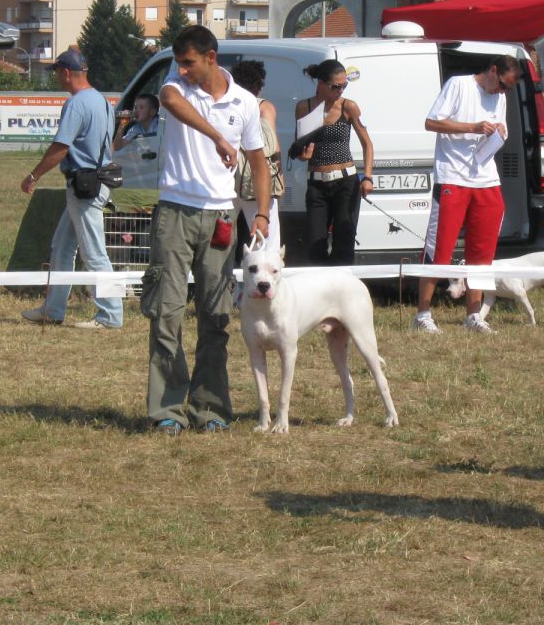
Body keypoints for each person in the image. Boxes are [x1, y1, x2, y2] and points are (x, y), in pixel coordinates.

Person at [142, 25, 270, 434]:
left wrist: (262, 214)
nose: (182, 69)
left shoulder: (245, 102)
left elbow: (259, 161)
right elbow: (170, 101)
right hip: (175, 212)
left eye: (189, 62)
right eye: (179, 63)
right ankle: (167, 409)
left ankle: (210, 408)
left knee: (215, 316)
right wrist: (216, 135)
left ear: (211, 58)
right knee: (166, 312)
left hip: (221, 217)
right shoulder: (176, 86)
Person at [412, 55, 522, 334]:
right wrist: (472, 127)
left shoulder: (500, 96)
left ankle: (474, 315)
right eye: (501, 85)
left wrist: (498, 133)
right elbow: (431, 123)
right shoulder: (459, 85)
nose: (502, 92)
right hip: (453, 177)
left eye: (507, 89)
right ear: (492, 70)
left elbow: (498, 127)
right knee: (440, 250)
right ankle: (422, 314)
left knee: (482, 254)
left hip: (486, 179)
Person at [20, 48, 123, 330]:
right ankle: (53, 310)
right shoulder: (102, 101)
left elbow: (61, 147)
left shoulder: (76, 104)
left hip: (85, 185)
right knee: (62, 247)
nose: (56, 78)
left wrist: (34, 175)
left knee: (95, 253)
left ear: (66, 73)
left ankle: (111, 315)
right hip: (95, 182)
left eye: (56, 73)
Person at [294, 59, 375, 266]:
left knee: (343, 242)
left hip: (345, 182)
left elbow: (367, 144)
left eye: (344, 86)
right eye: (335, 86)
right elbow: (300, 149)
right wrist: (304, 155)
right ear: (321, 84)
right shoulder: (305, 107)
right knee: (315, 244)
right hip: (317, 183)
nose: (340, 90)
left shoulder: (348, 106)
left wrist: (367, 177)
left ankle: (342, 290)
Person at [230, 59, 284, 252]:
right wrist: (279, 174)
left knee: (223, 233)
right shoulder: (263, 107)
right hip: (253, 179)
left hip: (228, 176)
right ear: (259, 84)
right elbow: (272, 145)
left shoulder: (228, 105)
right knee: (266, 237)